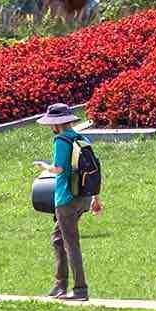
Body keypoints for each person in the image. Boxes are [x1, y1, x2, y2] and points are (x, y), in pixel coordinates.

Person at [32, 102, 101, 300]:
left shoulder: (61, 141)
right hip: (83, 197)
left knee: (70, 243)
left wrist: (43, 166)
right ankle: (59, 285)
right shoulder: (82, 138)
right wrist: (96, 198)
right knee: (58, 238)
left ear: (55, 124)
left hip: (66, 199)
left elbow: (59, 169)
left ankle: (80, 290)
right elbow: (94, 169)